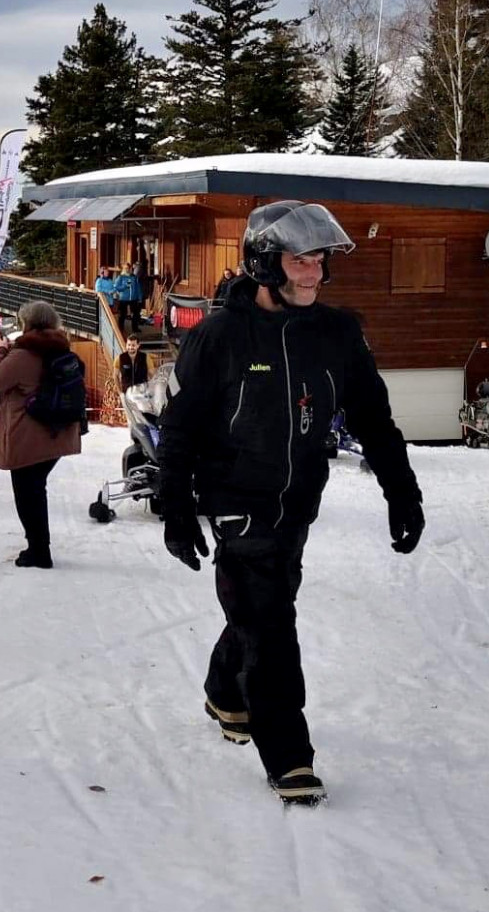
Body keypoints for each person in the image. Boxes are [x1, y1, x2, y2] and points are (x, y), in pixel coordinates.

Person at [157, 201, 424, 806]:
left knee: (261, 613)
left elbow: (375, 420)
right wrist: (176, 505)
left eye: (320, 260)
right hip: (237, 503)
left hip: (297, 505)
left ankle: (224, 693)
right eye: (300, 260)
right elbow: (180, 426)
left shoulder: (337, 334)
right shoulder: (219, 337)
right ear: (263, 262)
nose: (314, 273)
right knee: (272, 629)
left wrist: (402, 492)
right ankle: (289, 757)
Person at [0, 301, 85, 568]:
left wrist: (1, 351)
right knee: (34, 490)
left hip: (28, 435)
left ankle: (39, 550)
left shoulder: (23, 353)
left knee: (27, 494)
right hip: (56, 433)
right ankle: (39, 547)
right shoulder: (59, 348)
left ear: (27, 323)